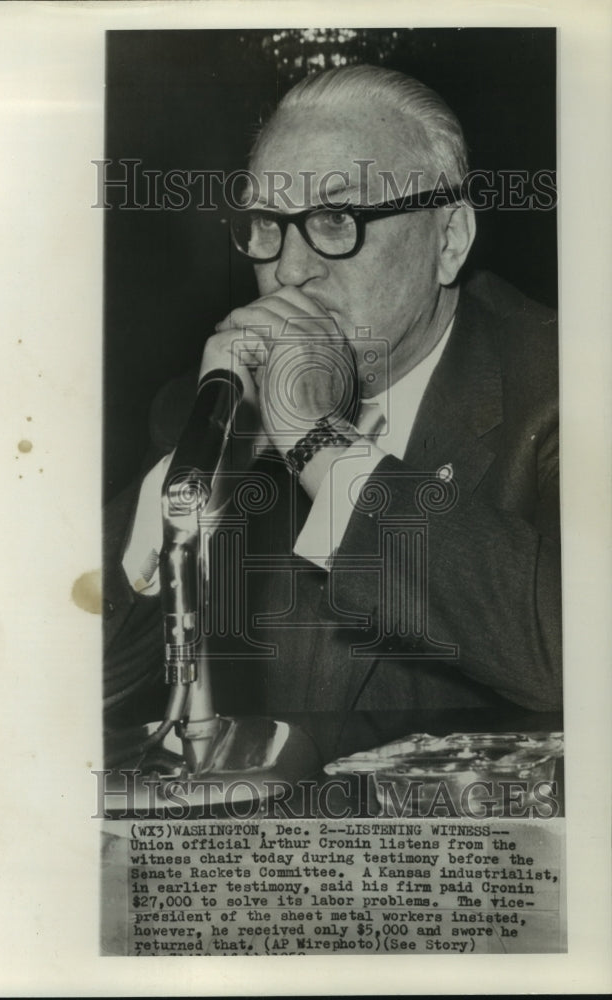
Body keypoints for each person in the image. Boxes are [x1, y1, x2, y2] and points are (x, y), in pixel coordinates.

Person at [103, 64, 561, 724]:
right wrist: (194, 476)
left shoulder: (564, 385)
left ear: (449, 240)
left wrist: (316, 439)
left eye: (337, 218)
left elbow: (571, 656)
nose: (288, 269)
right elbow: (73, 676)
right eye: (267, 222)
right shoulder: (208, 409)